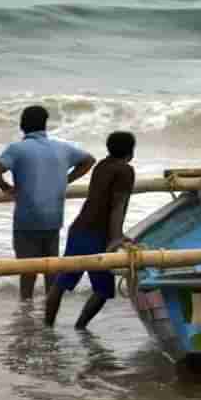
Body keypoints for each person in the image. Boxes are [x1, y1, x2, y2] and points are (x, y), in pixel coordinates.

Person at [0, 105, 95, 300]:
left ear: (22, 125)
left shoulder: (17, 149)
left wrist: (7, 188)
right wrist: (66, 180)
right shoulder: (62, 147)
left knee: (27, 270)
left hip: (27, 219)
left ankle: (26, 309)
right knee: (51, 268)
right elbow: (89, 160)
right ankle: (49, 310)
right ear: (45, 125)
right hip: (53, 218)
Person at [45, 131, 137, 329]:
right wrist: (116, 237)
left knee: (61, 283)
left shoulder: (102, 166)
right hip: (97, 234)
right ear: (131, 151)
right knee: (103, 290)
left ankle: (47, 327)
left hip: (79, 229)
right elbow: (118, 204)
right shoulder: (125, 170)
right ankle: (80, 327)